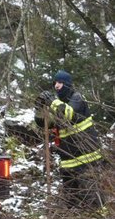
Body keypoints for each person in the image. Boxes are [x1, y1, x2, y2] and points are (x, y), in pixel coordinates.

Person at [35, 70, 104, 207]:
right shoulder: (58, 104)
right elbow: (45, 124)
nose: (56, 86)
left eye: (60, 82)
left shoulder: (77, 98)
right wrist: (39, 109)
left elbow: (68, 114)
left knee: (92, 198)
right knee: (72, 202)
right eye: (55, 83)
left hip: (86, 159)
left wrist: (51, 101)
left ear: (67, 84)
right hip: (68, 162)